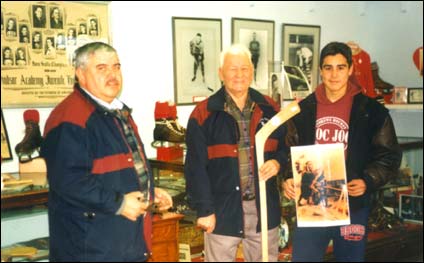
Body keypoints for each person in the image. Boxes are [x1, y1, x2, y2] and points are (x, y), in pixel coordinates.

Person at [40, 42, 173, 261]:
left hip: (122, 243)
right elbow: (68, 181)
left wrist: (149, 190)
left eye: (116, 67)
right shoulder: (70, 118)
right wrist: (119, 203)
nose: (112, 75)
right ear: (80, 74)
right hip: (90, 249)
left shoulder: (117, 112)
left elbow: (116, 168)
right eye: (101, 68)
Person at [282, 41, 402, 262]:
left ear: (350, 69)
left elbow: (389, 155)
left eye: (340, 67)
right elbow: (287, 149)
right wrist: (289, 178)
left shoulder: (372, 111)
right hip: (311, 204)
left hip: (353, 206)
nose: (334, 74)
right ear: (320, 71)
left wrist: (368, 180)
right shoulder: (302, 110)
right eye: (328, 67)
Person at [185, 44, 286, 262]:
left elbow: (286, 148)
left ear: (252, 71)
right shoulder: (204, 113)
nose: (239, 74)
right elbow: (195, 167)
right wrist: (204, 210)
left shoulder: (269, 108)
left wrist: (278, 163)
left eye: (244, 68)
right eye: (232, 69)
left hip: (263, 209)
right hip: (221, 211)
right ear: (221, 73)